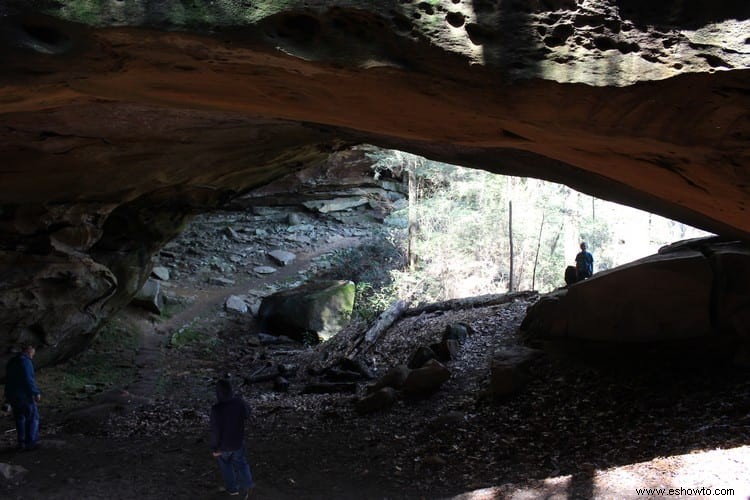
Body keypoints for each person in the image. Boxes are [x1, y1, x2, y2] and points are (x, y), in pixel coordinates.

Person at [210, 379, 254, 498]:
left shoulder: (216, 409)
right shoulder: (239, 403)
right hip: (238, 442)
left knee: (226, 466)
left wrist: (215, 448)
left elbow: (215, 431)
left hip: (223, 447)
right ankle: (247, 486)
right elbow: (248, 413)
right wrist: (240, 400)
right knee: (241, 463)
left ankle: (232, 489)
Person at [4, 345, 42, 451]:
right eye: (32, 354)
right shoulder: (25, 361)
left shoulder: (12, 361)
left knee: (20, 419)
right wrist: (36, 392)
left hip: (13, 396)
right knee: (33, 418)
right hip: (24, 396)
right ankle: (31, 443)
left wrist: (7, 397)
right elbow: (28, 378)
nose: (32, 357)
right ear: (29, 352)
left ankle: (21, 443)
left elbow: (8, 380)